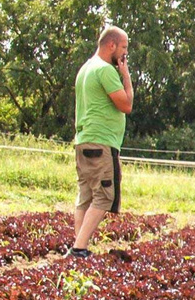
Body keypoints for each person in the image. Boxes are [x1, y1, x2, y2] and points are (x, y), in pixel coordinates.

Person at [67, 26, 133, 258]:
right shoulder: (105, 70)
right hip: (101, 142)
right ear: (111, 45)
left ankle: (79, 246)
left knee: (85, 195)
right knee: (105, 196)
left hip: (83, 141)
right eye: (124, 47)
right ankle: (79, 248)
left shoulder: (85, 68)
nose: (125, 54)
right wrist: (125, 75)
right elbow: (126, 105)